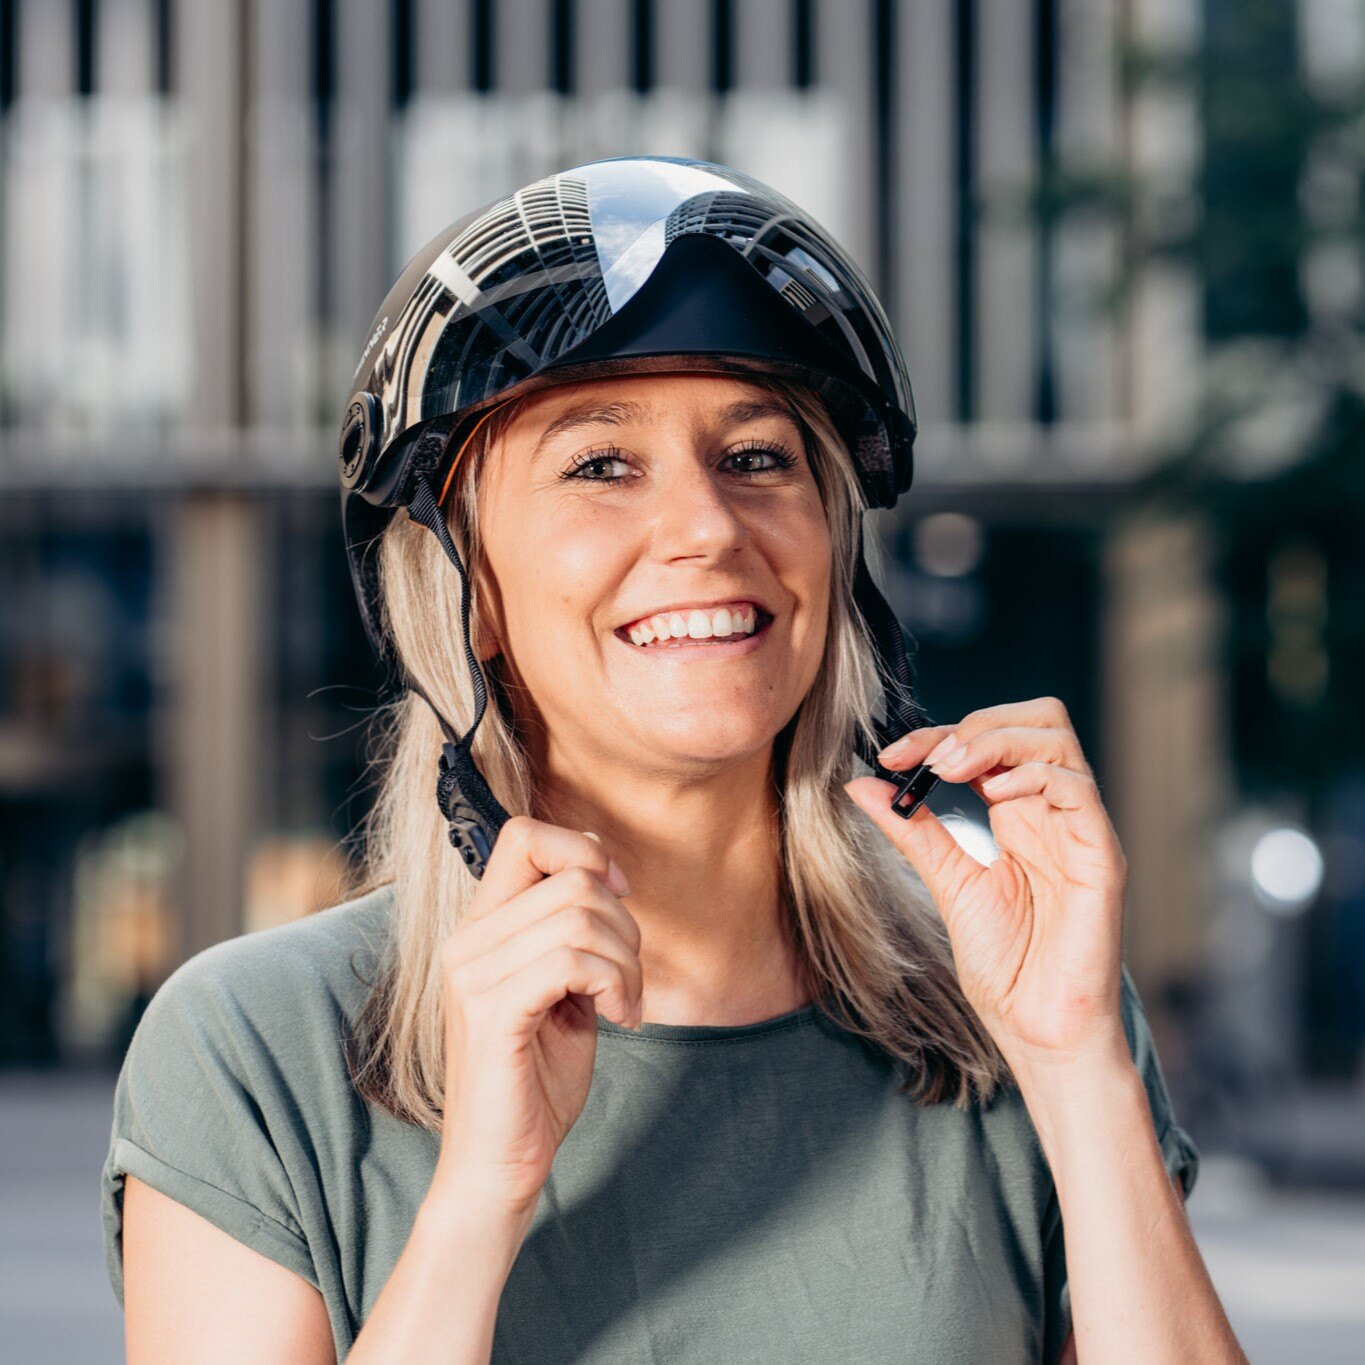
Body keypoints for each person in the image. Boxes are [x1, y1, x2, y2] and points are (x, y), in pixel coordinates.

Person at [101, 157, 1245, 1363]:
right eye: (601, 466)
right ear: (469, 591)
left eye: (757, 458)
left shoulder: (1007, 998)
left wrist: (1075, 1066)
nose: (707, 527)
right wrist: (486, 1189)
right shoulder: (254, 1049)